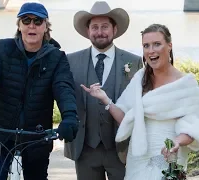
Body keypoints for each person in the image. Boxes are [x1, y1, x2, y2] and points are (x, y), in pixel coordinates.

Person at [0, 2, 78, 180]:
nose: (32, 25)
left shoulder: (56, 58)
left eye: (38, 21)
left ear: (46, 26)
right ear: (19, 25)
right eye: (26, 20)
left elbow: (64, 88)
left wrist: (69, 117)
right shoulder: (2, 49)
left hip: (36, 137)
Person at [81, 23, 199, 180]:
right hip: (138, 156)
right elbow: (126, 118)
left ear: (169, 46)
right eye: (146, 46)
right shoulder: (140, 78)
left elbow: (194, 128)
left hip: (166, 154)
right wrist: (105, 99)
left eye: (157, 44)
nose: (151, 50)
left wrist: (176, 142)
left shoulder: (186, 84)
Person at [64, 1, 143, 180]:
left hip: (122, 150)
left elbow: (140, 104)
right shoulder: (70, 61)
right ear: (88, 31)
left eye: (105, 26)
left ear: (115, 29)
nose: (100, 32)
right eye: (95, 27)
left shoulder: (134, 62)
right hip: (85, 149)